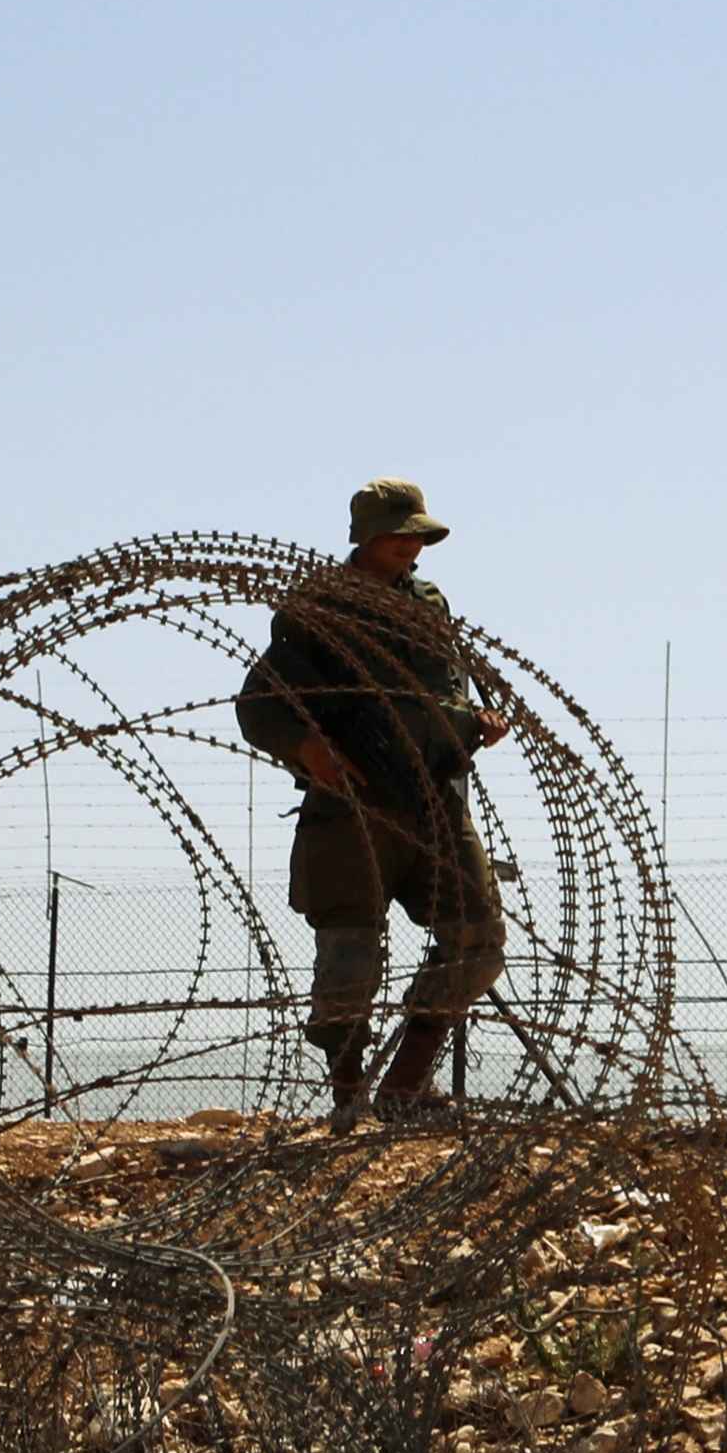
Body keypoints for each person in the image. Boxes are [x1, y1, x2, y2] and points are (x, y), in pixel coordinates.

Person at [238, 479, 511, 1123]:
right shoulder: (322, 606)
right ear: (367, 536)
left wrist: (477, 722)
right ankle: (347, 1094)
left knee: (478, 940)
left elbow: (441, 695)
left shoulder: (427, 602)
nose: (411, 548)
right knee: (349, 956)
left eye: (417, 537)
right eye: (399, 536)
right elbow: (259, 704)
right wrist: (309, 752)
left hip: (433, 798)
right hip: (352, 806)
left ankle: (405, 1085)